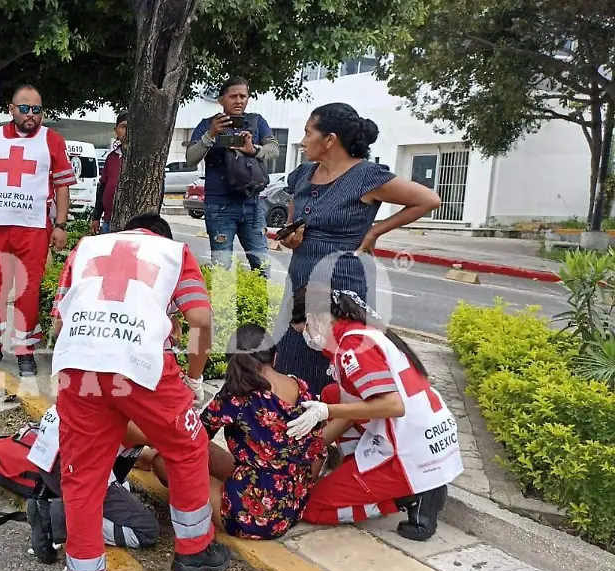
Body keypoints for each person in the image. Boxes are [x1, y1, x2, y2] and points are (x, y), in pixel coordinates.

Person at [51, 212, 230, 571]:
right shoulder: (173, 252)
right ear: (160, 236)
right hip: (143, 368)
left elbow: (60, 324)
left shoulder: (85, 248)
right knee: (188, 446)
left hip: (78, 367)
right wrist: (194, 378)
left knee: (83, 476)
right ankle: (194, 549)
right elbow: (200, 319)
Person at [274, 103, 441, 393]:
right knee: (292, 352)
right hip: (300, 276)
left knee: (332, 356)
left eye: (308, 132)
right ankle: (295, 428)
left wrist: (376, 230)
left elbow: (428, 200)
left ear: (330, 139)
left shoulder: (367, 176)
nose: (302, 141)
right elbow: (295, 213)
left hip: (342, 280)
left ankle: (333, 428)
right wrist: (290, 235)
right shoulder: (303, 174)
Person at [285, 276, 464, 541]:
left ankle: (405, 496)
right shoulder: (361, 330)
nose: (309, 340)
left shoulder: (352, 347)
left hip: (406, 454)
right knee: (334, 394)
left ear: (316, 317)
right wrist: (313, 445)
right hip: (429, 437)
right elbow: (351, 402)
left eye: (306, 331)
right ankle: (357, 470)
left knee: (310, 507)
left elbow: (393, 405)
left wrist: (326, 412)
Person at [0, 84, 75, 377]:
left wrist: (61, 224)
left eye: (36, 109)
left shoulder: (51, 140)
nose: (30, 115)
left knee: (28, 291)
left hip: (35, 229)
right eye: (24, 108)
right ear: (11, 109)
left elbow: (63, 185)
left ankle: (25, 351)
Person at [184, 324, 327, 540]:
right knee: (209, 452)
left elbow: (195, 434)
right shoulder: (302, 387)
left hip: (254, 516)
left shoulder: (237, 395)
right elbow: (317, 449)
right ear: (275, 357)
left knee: (165, 462)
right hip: (292, 505)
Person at [25, 405, 160, 562]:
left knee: (125, 478)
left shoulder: (128, 385)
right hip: (71, 462)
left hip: (51, 449)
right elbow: (156, 438)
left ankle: (54, 501)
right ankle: (56, 516)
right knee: (146, 530)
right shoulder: (140, 394)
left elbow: (141, 450)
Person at [186, 77, 279, 272]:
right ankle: (222, 303)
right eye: (233, 96)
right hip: (219, 205)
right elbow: (190, 159)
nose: (239, 101)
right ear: (221, 100)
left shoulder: (256, 121)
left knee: (262, 265)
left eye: (243, 96)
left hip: (252, 203)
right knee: (222, 267)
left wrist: (252, 149)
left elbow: (274, 149)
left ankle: (259, 302)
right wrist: (211, 135)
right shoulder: (208, 125)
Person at [90, 112, 128, 235]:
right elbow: (103, 187)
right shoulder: (112, 157)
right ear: (116, 130)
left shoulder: (142, 159)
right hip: (108, 221)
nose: (127, 131)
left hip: (132, 223)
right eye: (123, 126)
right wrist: (96, 216)